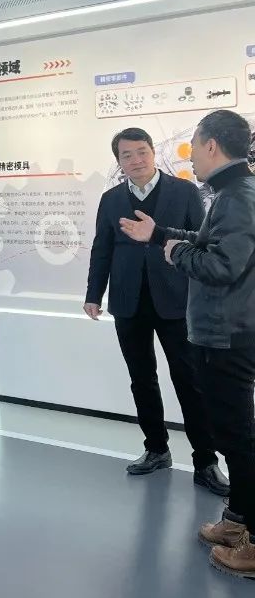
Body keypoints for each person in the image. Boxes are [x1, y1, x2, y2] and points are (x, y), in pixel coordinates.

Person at [120, 110, 255, 579]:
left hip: (228, 333)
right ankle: (238, 520)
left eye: (194, 145)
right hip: (221, 330)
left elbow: (220, 266)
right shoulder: (230, 193)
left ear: (212, 145)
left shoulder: (238, 196)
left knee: (238, 437)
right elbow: (206, 242)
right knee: (232, 432)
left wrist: (174, 251)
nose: (190, 155)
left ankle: (253, 543)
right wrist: (161, 235)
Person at [84, 127, 227, 494]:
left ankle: (206, 462)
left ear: (152, 152)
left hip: (177, 301)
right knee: (142, 378)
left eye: (141, 151)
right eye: (127, 155)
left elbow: (203, 243)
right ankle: (156, 449)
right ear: (119, 162)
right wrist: (93, 294)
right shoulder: (111, 199)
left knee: (189, 381)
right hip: (128, 302)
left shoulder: (184, 191)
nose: (136, 160)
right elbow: (102, 248)